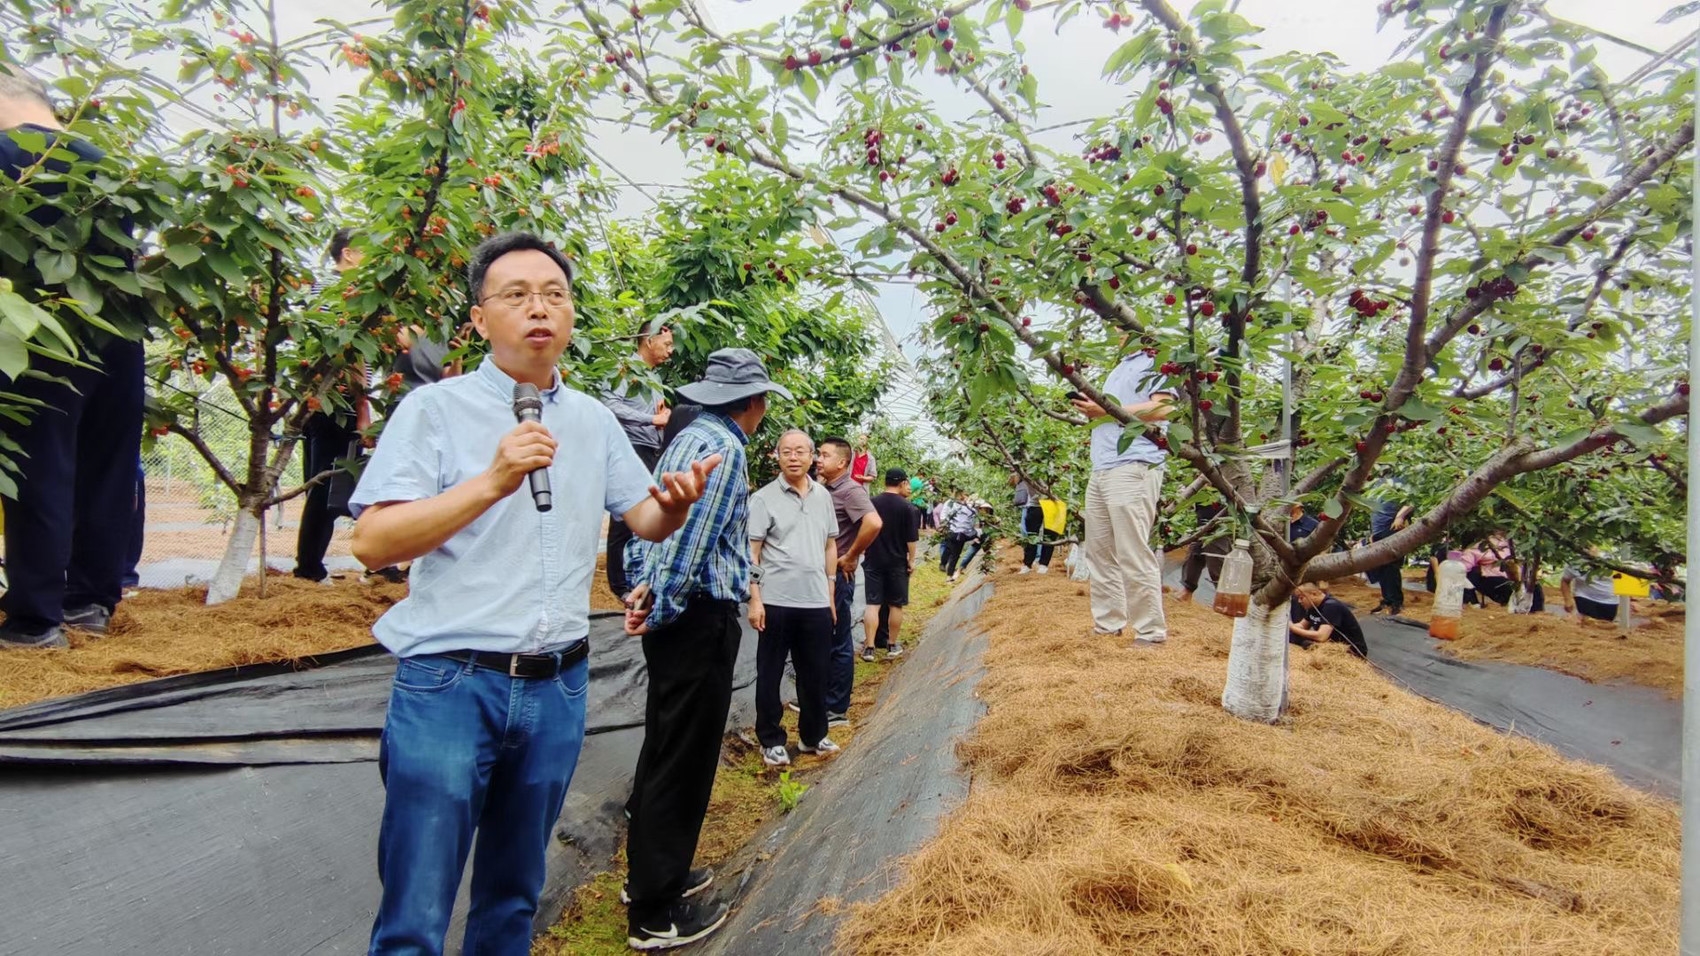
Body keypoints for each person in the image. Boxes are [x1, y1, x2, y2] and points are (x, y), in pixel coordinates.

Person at [346, 232, 719, 955]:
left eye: (553, 294)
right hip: (451, 683)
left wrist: (674, 506)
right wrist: (491, 482)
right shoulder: (434, 410)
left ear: (571, 314)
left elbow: (642, 516)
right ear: (479, 318)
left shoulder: (591, 419)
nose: (538, 308)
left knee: (514, 897)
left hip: (557, 687)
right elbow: (373, 542)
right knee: (416, 910)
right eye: (516, 295)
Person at [622, 347, 789, 950]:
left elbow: (650, 530)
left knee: (664, 743)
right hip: (697, 617)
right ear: (753, 403)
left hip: (678, 615)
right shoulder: (724, 447)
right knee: (685, 758)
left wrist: (644, 592)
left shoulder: (686, 438)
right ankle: (655, 912)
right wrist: (664, 605)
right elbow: (688, 544)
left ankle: (650, 875)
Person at [0, 67, 147, 648]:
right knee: (106, 465)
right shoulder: (109, 166)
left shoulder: (8, 153)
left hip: (40, 329)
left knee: (40, 463)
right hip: (117, 330)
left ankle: (34, 619)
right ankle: (90, 601)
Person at [747, 429, 840, 769]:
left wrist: (830, 591)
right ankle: (771, 740)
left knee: (815, 672)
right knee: (769, 673)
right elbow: (752, 552)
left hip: (815, 600)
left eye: (800, 451)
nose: (793, 457)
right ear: (777, 456)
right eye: (786, 451)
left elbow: (830, 544)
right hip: (776, 601)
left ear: (812, 457)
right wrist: (755, 598)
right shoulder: (763, 499)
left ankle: (813, 736)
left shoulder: (823, 496)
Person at [1071, 346, 1175, 643]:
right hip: (1102, 467)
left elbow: (1164, 409)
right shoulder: (1119, 367)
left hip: (1133, 464)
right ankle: (1107, 624)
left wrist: (1104, 410)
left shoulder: (1156, 358)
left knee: (1132, 550)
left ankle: (1150, 632)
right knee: (1099, 551)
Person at [292, 230, 373, 585]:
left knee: (320, 483)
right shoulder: (345, 294)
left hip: (317, 401)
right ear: (349, 254)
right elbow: (350, 353)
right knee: (329, 485)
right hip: (338, 402)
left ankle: (309, 565)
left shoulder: (320, 290)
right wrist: (363, 406)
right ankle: (310, 569)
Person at [603, 322, 676, 602]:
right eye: (667, 344)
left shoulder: (652, 379)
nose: (670, 351)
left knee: (646, 514)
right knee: (625, 514)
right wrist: (651, 419)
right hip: (630, 448)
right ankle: (619, 584)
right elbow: (609, 404)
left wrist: (661, 416)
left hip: (649, 450)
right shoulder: (625, 369)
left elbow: (655, 416)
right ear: (648, 341)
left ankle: (637, 577)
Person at [817, 435, 882, 726]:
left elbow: (874, 522)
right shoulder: (824, 488)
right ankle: (821, 697)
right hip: (820, 575)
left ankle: (836, 709)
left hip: (838, 576)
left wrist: (852, 555)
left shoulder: (850, 490)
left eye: (825, 455)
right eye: (818, 454)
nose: (818, 459)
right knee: (824, 637)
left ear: (842, 462)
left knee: (839, 640)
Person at [863, 468, 920, 662]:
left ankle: (869, 648)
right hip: (897, 562)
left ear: (885, 482)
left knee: (873, 604)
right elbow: (911, 540)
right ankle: (892, 645)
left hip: (873, 560)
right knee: (896, 604)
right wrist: (911, 560)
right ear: (903, 483)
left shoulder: (871, 503)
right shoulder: (908, 508)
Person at [1287, 583, 1367, 658]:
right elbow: (1302, 625)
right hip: (1330, 643)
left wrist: (1293, 628)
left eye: (1301, 598)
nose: (1299, 601)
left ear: (1314, 594)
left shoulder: (1331, 606)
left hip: (1348, 648)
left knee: (1299, 638)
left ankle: (1311, 646)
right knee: (1292, 636)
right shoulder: (1313, 606)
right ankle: (1310, 646)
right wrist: (1287, 626)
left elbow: (1321, 636)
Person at [1366, 494, 1413, 615]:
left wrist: (1400, 516)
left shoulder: (1398, 484)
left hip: (1393, 529)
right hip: (1379, 533)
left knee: (1391, 566)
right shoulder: (1375, 486)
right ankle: (1387, 600)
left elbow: (1412, 500)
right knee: (1381, 567)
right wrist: (1373, 534)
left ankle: (1395, 602)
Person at [1179, 500, 1228, 601]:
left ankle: (1224, 599)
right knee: (1195, 553)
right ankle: (1187, 590)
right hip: (1204, 517)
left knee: (1216, 558)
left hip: (1221, 519)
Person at [1013, 474, 1048, 574]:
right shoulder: (1025, 472)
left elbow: (1047, 488)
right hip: (1034, 504)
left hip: (1051, 503)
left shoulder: (1049, 470)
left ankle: (1043, 564)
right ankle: (1027, 564)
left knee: (1049, 535)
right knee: (1031, 535)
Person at [938, 492, 977, 580]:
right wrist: (944, 525)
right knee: (953, 553)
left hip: (953, 531)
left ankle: (944, 566)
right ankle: (948, 573)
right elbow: (945, 514)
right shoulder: (953, 503)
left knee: (949, 549)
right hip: (955, 532)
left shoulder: (961, 506)